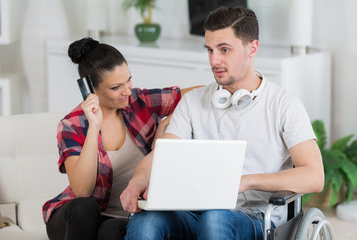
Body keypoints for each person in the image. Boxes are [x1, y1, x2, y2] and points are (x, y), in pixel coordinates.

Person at [120, 6, 324, 240]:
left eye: (224, 50)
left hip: (257, 217)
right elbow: (160, 156)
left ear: (252, 48)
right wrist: (137, 181)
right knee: (146, 220)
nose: (214, 60)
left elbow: (314, 176)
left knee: (215, 217)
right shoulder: (193, 102)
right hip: (193, 210)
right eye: (210, 50)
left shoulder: (284, 105)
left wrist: (244, 182)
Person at [42, 37, 200, 240]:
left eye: (129, 80)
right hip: (76, 219)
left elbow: (199, 94)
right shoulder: (71, 125)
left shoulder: (139, 102)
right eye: (116, 87)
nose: (127, 91)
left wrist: (166, 122)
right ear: (90, 89)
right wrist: (94, 126)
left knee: (113, 230)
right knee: (84, 207)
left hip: (120, 218)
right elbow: (82, 190)